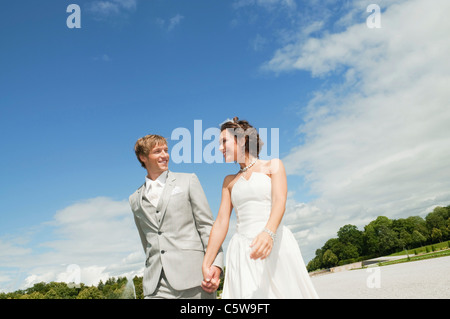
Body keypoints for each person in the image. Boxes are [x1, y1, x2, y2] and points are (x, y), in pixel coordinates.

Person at [202, 118, 319, 298]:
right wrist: (207, 263)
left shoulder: (273, 166)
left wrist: (268, 233)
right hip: (243, 252)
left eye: (223, 142)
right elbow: (221, 222)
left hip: (275, 242)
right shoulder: (228, 182)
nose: (219, 148)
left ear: (241, 140)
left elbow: (280, 201)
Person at [129, 134, 223, 299]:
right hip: (156, 285)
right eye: (158, 151)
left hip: (196, 278)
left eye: (166, 150)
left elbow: (206, 226)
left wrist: (216, 264)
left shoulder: (188, 180)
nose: (165, 155)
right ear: (142, 157)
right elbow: (146, 241)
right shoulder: (134, 199)